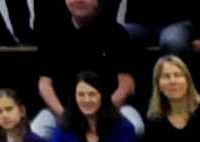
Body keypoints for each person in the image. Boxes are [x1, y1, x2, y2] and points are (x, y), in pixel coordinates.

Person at [37, 0, 143, 132]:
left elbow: (127, 84)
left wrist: (101, 112)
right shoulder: (51, 35)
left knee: (135, 128)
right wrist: (64, 115)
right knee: (38, 131)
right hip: (62, 111)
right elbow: (45, 84)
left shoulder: (116, 33)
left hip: (109, 110)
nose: (79, 0)